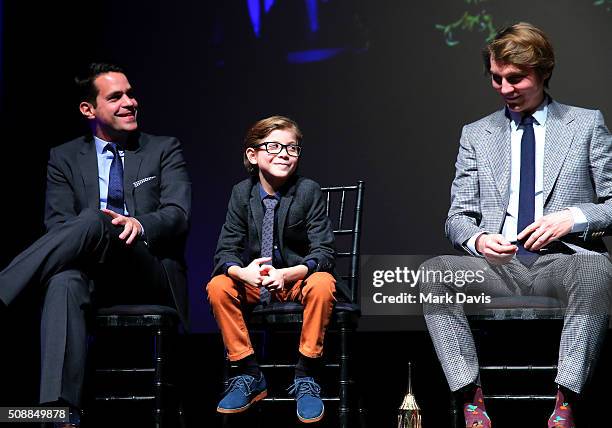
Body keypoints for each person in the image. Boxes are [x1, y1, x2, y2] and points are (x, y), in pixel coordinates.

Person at [419, 23, 611, 428]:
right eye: (497, 78)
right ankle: (470, 395)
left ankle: (566, 399)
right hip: (498, 267)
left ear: (543, 72)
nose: (506, 88)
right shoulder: (476, 134)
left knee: (597, 268)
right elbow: (457, 217)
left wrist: (572, 219)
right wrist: (477, 239)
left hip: (560, 263)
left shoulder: (586, 124)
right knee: (432, 271)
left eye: (517, 78)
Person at [0, 63, 191, 427]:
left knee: (92, 218)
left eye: (131, 94)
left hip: (146, 268)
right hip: (92, 272)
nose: (130, 102)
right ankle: (59, 416)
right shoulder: (64, 156)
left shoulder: (163, 148)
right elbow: (57, 227)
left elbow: (178, 214)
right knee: (63, 282)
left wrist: (139, 222)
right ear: (89, 110)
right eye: (116, 97)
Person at [206, 115, 344, 424]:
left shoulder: (307, 190)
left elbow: (324, 252)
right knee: (218, 286)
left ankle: (306, 375)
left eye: (292, 148)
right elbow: (225, 251)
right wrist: (243, 273)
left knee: (323, 283)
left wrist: (290, 273)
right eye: (274, 146)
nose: (284, 153)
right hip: (257, 282)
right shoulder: (241, 194)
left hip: (295, 280)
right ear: (252, 155)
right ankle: (248, 372)